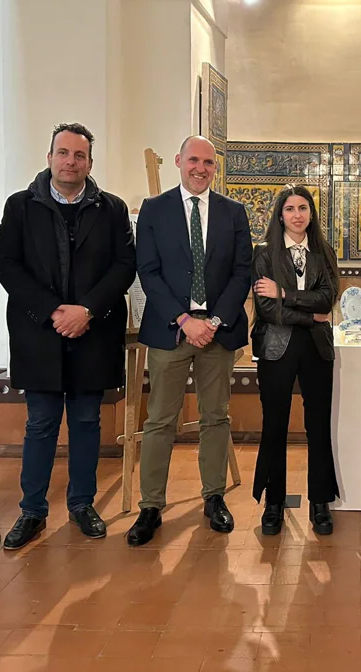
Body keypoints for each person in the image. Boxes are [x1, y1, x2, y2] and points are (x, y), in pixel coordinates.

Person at [0, 124, 136, 550]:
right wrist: (54, 311)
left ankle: (81, 505)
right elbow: (8, 266)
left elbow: (122, 266)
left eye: (79, 155)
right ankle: (32, 511)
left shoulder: (111, 208)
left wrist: (86, 310)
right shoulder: (20, 206)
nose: (70, 161)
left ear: (90, 163)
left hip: (93, 331)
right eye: (63, 153)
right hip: (40, 332)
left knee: (87, 422)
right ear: (49, 157)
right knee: (39, 425)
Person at [128, 135, 252, 545]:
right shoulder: (154, 209)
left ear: (216, 168)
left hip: (218, 331)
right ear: (179, 161)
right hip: (170, 330)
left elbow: (241, 272)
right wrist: (184, 320)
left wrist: (212, 321)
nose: (200, 169)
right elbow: (148, 271)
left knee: (216, 417)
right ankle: (151, 505)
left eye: (209, 163)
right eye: (194, 160)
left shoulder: (233, 213)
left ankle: (214, 497)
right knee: (160, 419)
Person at [251, 185, 340, 536]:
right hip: (276, 347)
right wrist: (309, 316)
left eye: (304, 208)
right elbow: (266, 308)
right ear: (280, 214)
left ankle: (320, 502)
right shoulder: (264, 254)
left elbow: (327, 300)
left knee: (318, 426)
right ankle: (274, 503)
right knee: (275, 424)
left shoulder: (323, 251)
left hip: (317, 349)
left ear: (311, 214)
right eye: (290, 208)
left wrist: (286, 293)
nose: (298, 214)